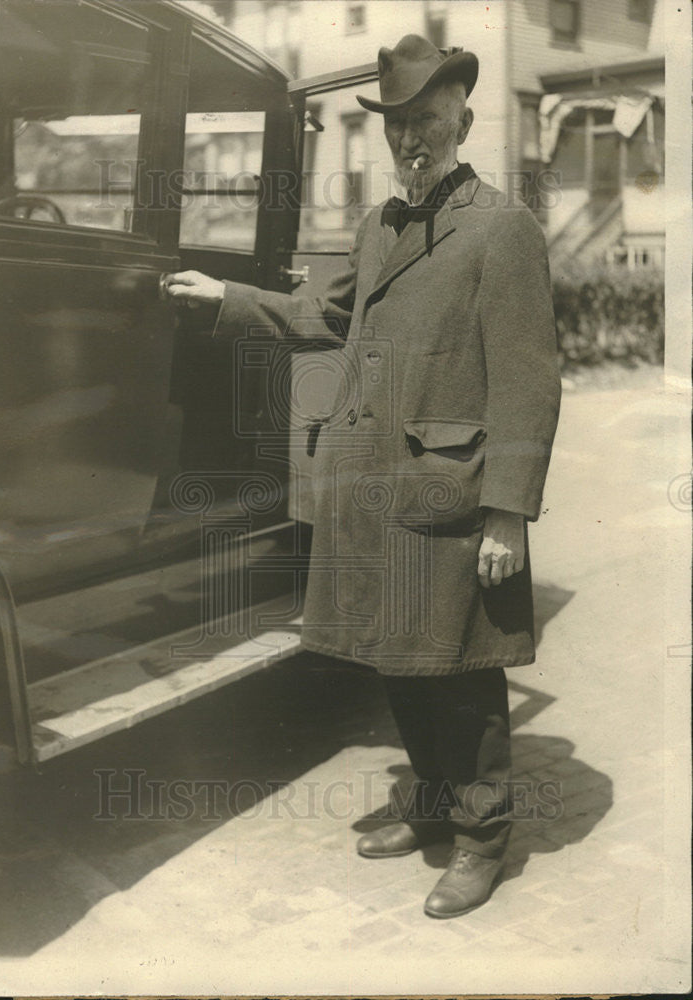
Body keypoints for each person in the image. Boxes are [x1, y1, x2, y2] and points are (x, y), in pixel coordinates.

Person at [165, 35, 561, 919]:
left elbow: (531, 380)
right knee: (398, 655)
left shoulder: (502, 228)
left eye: (425, 119)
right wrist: (224, 297)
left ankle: (481, 836)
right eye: (397, 126)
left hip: (454, 497)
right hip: (376, 491)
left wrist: (508, 514)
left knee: (460, 669)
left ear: (461, 113)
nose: (411, 140)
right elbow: (320, 314)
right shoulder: (381, 227)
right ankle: (428, 804)